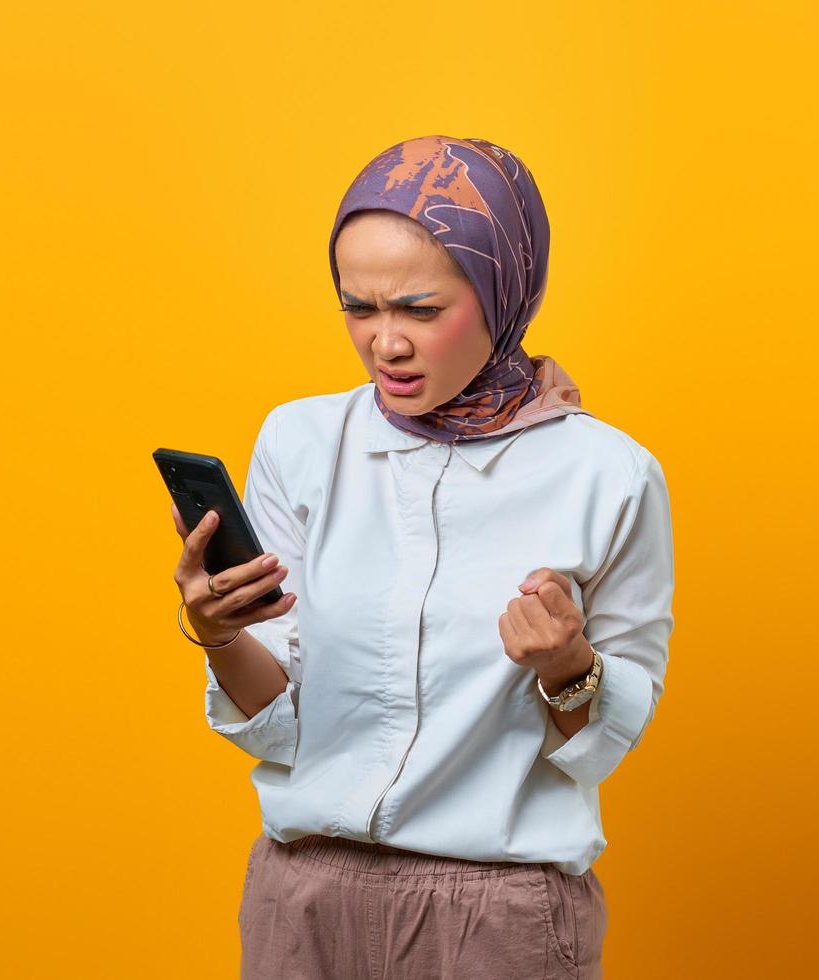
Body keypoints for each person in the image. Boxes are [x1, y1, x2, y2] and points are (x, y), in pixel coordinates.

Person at [169, 135, 675, 979]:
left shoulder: (608, 474)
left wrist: (566, 663)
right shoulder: (299, 442)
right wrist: (218, 635)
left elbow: (607, 737)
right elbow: (283, 728)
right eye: (358, 309)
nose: (385, 344)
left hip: (498, 915)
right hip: (303, 903)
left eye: (419, 309)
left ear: (499, 291)